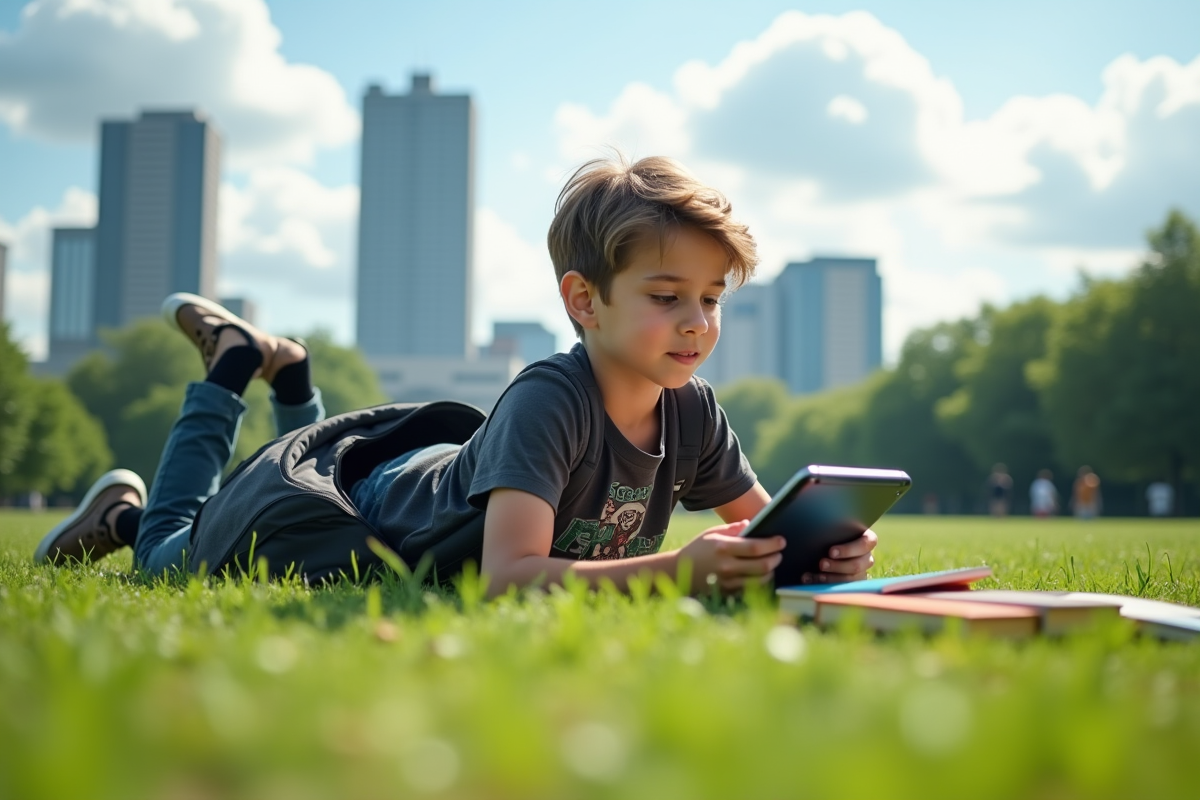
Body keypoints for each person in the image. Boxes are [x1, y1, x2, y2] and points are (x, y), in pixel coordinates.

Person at [36, 155, 877, 596]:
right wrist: (674, 570)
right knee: (165, 556)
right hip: (341, 512)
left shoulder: (691, 410)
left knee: (299, 468)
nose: (697, 321)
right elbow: (510, 578)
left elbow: (757, 524)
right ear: (583, 301)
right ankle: (221, 379)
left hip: (392, 475)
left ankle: (292, 377)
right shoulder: (552, 401)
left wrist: (815, 546)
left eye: (712, 298)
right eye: (667, 296)